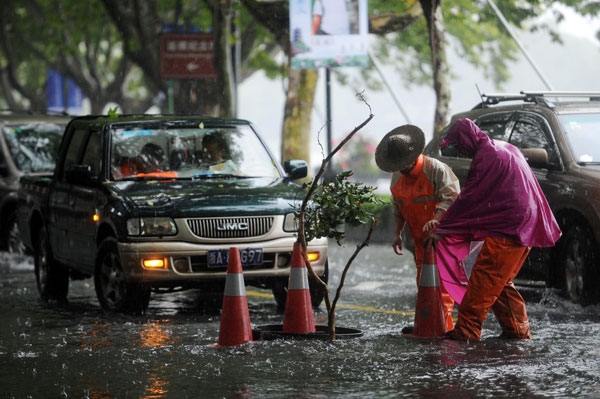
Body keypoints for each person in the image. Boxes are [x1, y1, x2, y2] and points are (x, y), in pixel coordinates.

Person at [427, 118, 561, 341]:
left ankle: (466, 333)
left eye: (458, 145)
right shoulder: (504, 147)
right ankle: (517, 331)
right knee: (500, 282)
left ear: (465, 139)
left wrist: (442, 229)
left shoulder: (486, 157)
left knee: (483, 280)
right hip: (526, 224)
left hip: (508, 228)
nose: (459, 151)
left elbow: (469, 198)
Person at [375, 125, 460, 332]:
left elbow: (453, 197)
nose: (401, 169)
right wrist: (397, 234)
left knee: (441, 286)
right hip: (420, 242)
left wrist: (437, 218)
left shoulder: (436, 170)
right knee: (424, 284)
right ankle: (429, 322)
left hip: (442, 240)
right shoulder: (397, 177)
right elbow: (398, 206)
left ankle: (441, 327)